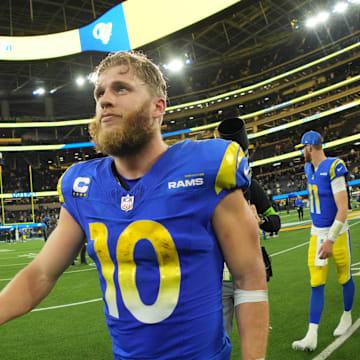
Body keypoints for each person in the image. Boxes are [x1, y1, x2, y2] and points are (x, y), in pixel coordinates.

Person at [0, 51, 269, 360]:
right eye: (99, 93)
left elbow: (248, 278)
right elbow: (40, 274)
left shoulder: (207, 168)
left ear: (158, 107)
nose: (105, 100)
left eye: (121, 88)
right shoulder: (81, 185)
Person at [292, 130, 355, 352]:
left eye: (302, 149)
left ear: (309, 147)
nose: (302, 153)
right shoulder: (309, 168)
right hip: (316, 234)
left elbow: (343, 209)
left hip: (336, 234)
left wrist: (330, 240)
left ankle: (346, 315)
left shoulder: (334, 166)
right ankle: (311, 334)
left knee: (344, 276)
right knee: (316, 283)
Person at [218, 117, 280, 335]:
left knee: (255, 336)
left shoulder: (253, 187)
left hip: (249, 275)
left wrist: (260, 220)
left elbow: (275, 222)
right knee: (218, 341)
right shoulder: (212, 188)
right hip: (220, 277)